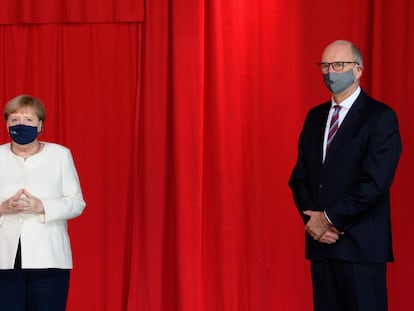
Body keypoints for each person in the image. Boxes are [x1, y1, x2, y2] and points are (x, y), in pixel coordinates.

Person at [289, 40, 402, 311]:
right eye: (325, 66)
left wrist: (329, 220)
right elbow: (300, 177)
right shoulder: (314, 117)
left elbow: (375, 183)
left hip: (361, 246)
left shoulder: (380, 117)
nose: (331, 72)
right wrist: (314, 224)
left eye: (339, 65)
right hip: (322, 247)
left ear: (359, 69)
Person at [0, 95, 86, 310]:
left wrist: (43, 207)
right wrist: (2, 208)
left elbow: (77, 203)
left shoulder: (60, 155)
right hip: (4, 258)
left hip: (49, 256)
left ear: (40, 124)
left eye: (28, 119)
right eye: (15, 119)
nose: (21, 124)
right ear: (7, 123)